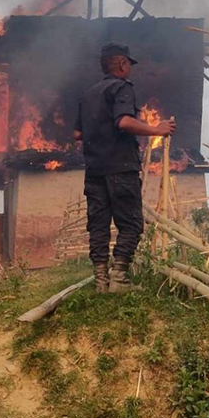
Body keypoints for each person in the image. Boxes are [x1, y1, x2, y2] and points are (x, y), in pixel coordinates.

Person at [73, 44, 176, 292]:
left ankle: (101, 281)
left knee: (98, 225)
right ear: (121, 65)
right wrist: (157, 130)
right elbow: (123, 121)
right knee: (131, 223)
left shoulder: (88, 94)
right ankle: (119, 277)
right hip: (120, 167)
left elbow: (78, 133)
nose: (130, 69)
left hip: (95, 170)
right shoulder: (122, 87)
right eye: (129, 64)